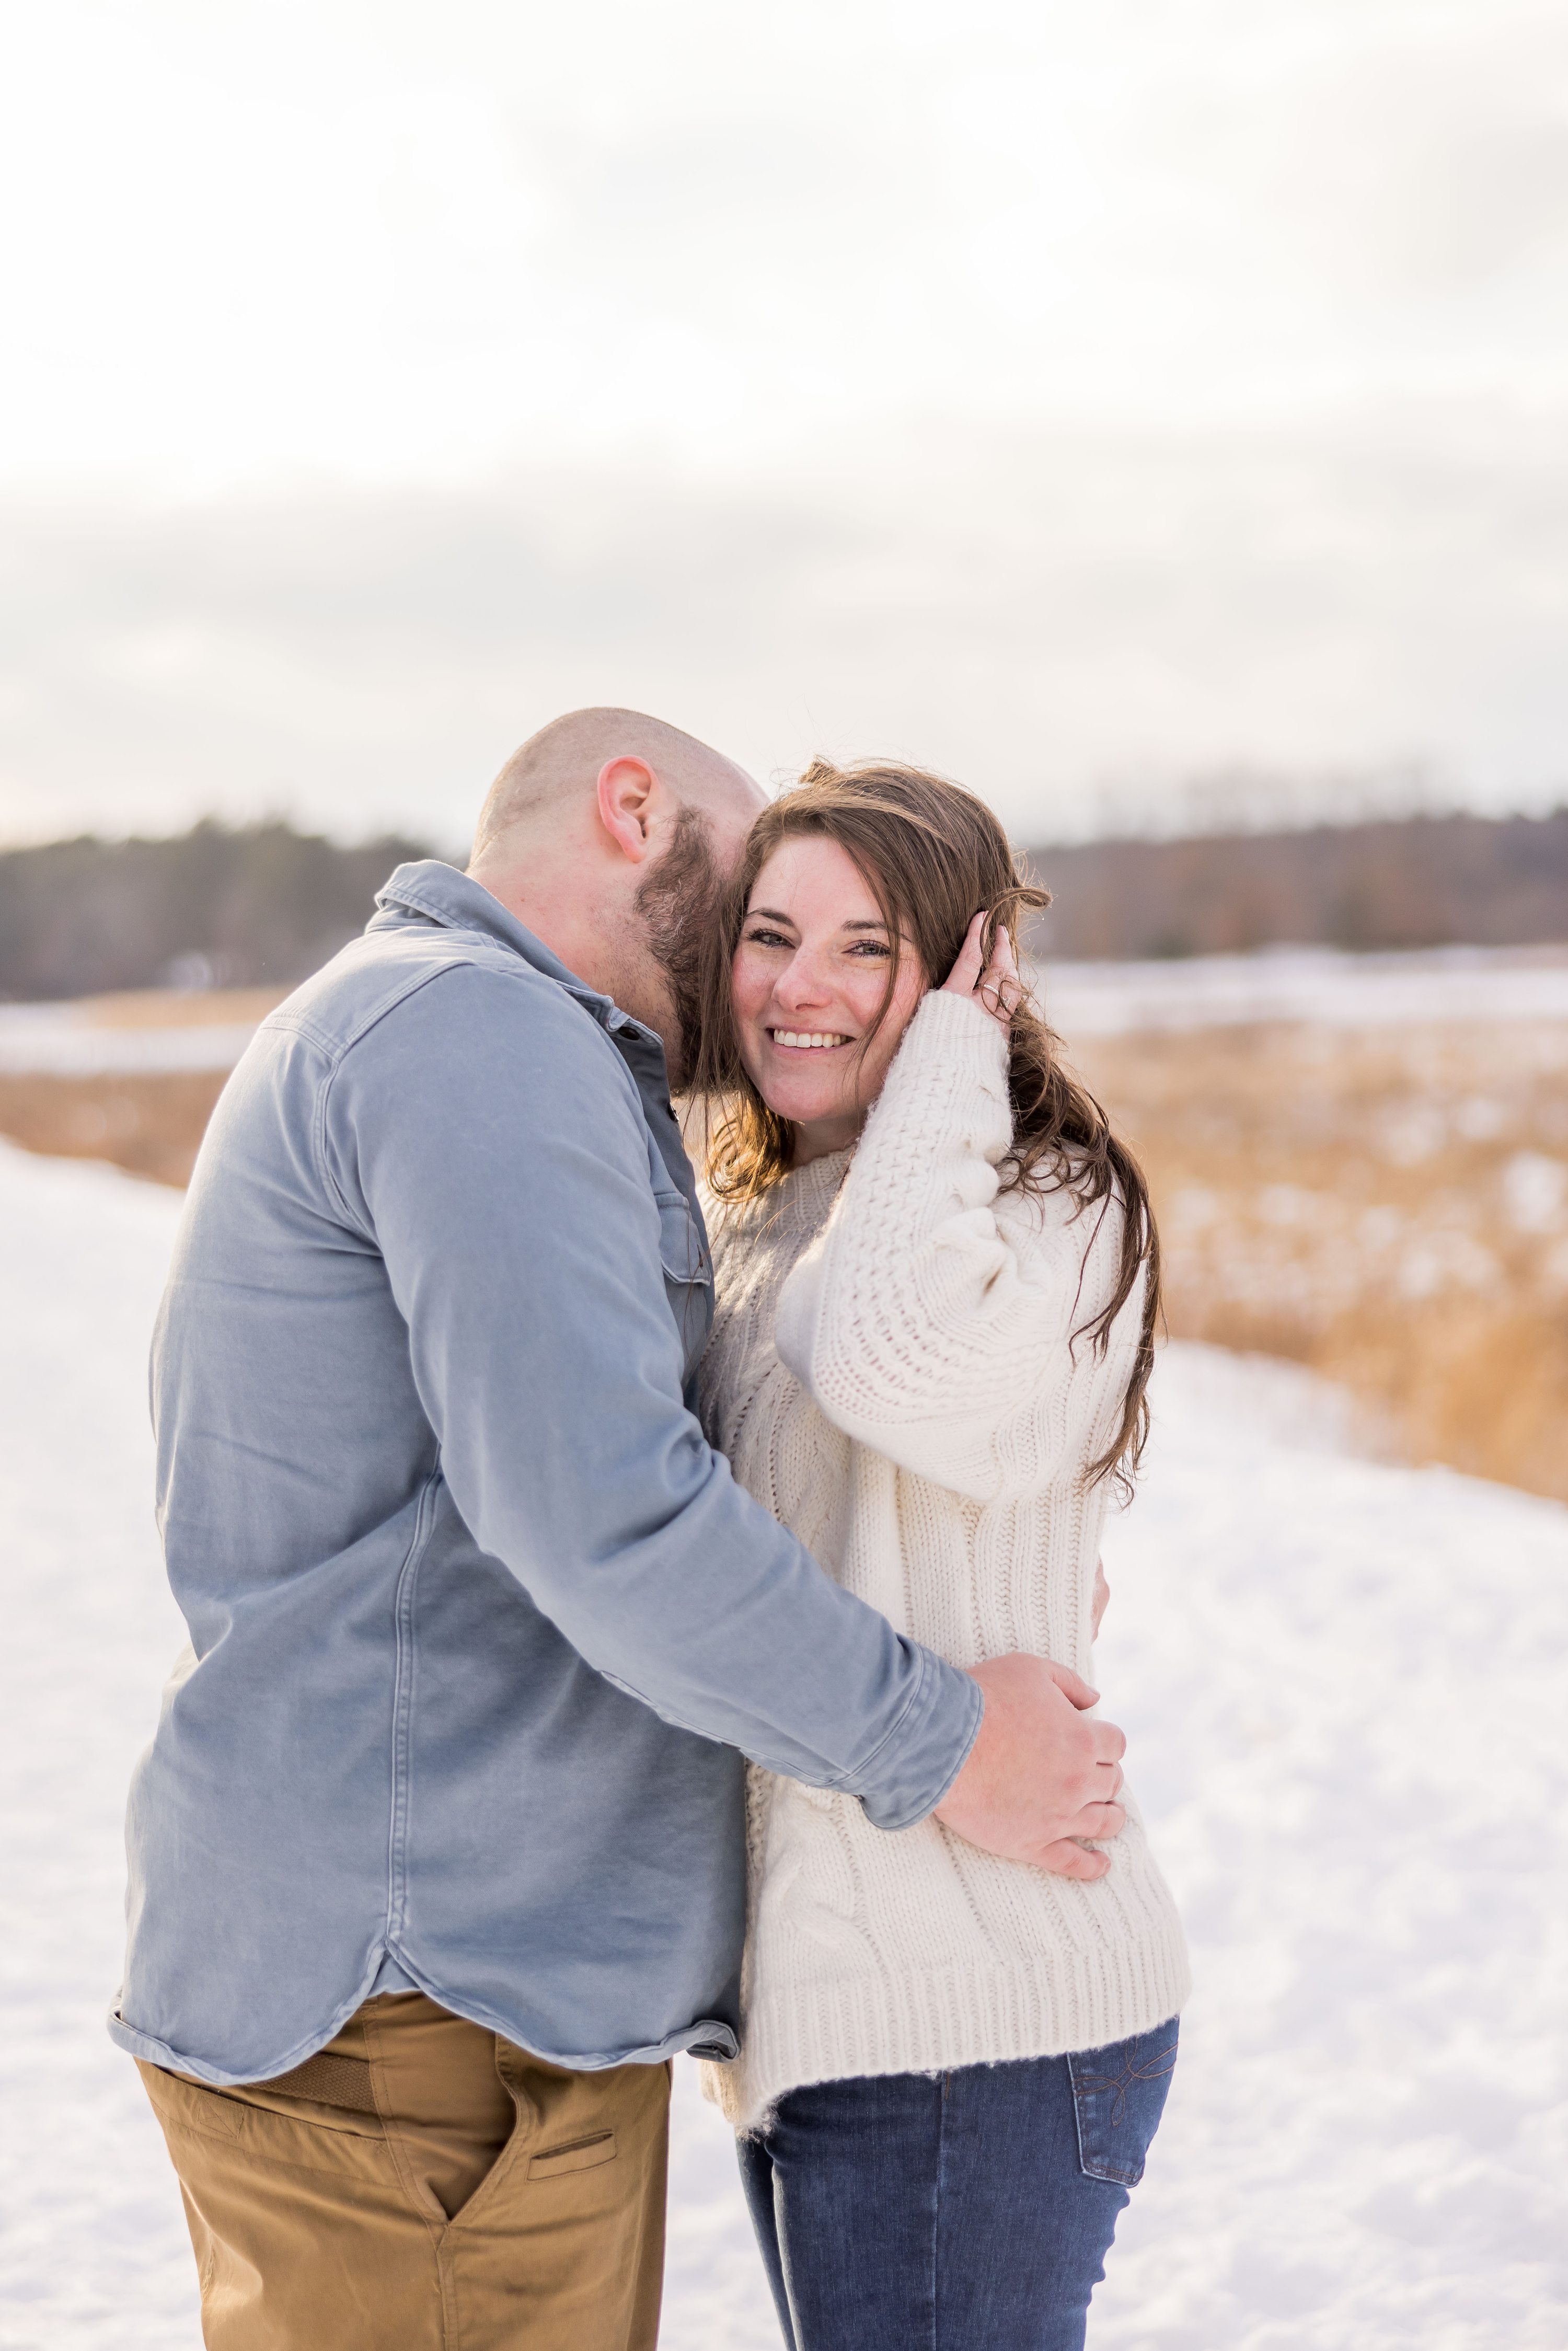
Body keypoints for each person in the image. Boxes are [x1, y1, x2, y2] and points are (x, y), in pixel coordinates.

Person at [113, 709, 1133, 2351]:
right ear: (632, 805)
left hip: (441, 2004)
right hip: (422, 2015)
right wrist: (951, 1742)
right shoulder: (477, 1036)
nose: (763, 974)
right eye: (752, 912)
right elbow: (603, 1516)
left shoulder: (451, 1034)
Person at [688, 757, 1191, 2351]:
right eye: (771, 936)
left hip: (980, 2018)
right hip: (829, 2024)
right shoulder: (769, 1218)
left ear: (971, 968)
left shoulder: (1052, 1204)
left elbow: (891, 1362)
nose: (799, 987)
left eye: (865, 947)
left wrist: (953, 1068)